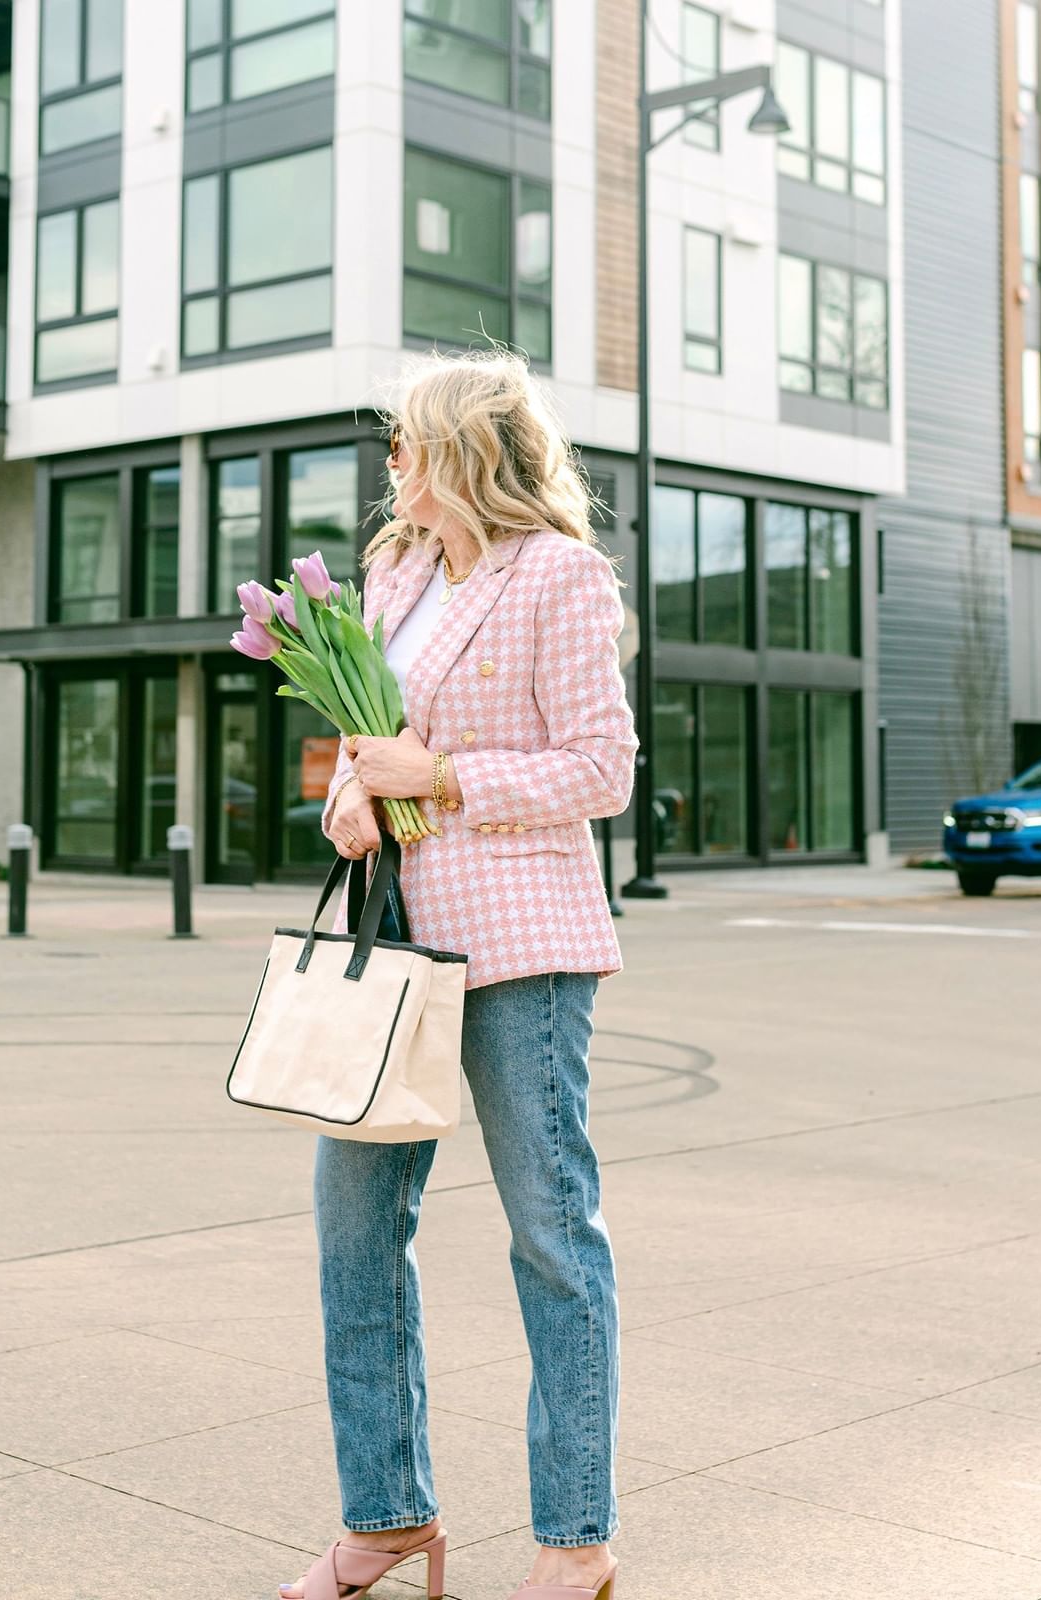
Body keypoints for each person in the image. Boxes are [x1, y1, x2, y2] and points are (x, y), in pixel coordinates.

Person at [277, 350, 637, 1600]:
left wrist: (438, 780)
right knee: (352, 1234)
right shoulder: (394, 571)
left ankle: (574, 1540)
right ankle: (386, 1517)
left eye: (405, 444)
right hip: (397, 950)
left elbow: (602, 771)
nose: (392, 467)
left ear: (461, 454)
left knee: (549, 1234)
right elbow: (366, 743)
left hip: (524, 949)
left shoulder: (560, 576)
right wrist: (348, 798)